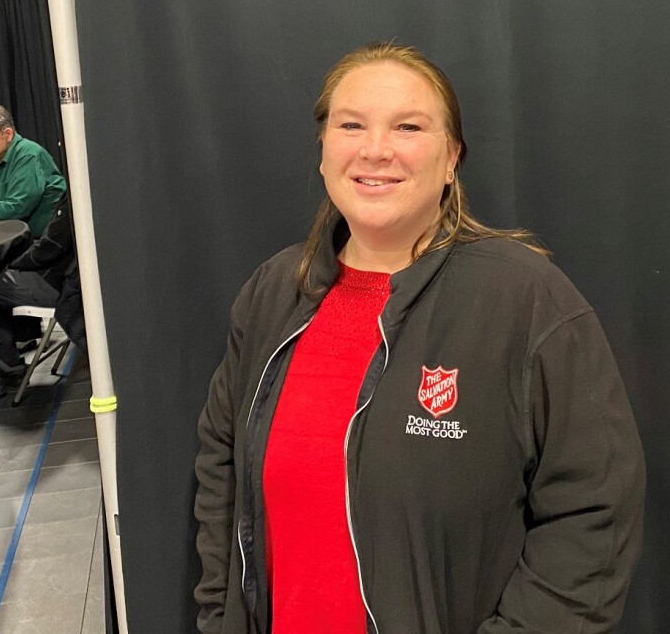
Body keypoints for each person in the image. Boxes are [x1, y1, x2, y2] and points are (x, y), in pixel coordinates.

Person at [194, 42, 645, 634]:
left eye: (408, 126)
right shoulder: (274, 293)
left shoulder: (527, 301)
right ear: (324, 150)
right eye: (350, 124)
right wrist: (218, 615)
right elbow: (220, 467)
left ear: (452, 156)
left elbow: (595, 510)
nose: (375, 149)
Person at [0, 192, 84, 397]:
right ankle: (7, 359)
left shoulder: (73, 192)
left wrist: (16, 263)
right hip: (64, 271)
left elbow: (17, 208)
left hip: (58, 278)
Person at [0, 104, 66, 237]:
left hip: (37, 242)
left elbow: (16, 208)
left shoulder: (29, 155)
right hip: (1, 237)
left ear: (8, 134)